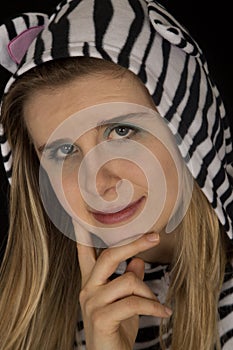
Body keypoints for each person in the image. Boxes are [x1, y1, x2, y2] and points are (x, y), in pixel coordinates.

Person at [0, 0, 233, 349]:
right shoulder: (23, 323)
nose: (96, 183)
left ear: (189, 131)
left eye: (122, 132)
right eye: (64, 151)